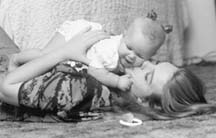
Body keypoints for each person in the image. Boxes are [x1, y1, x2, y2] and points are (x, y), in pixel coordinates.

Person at [1, 26, 216, 121]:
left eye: (148, 76)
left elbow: (6, 88)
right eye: (155, 62)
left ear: (145, 101)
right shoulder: (112, 78)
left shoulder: (84, 91)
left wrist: (65, 52)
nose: (145, 64)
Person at [9, 11, 172, 93]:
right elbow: (95, 70)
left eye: (139, 55)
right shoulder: (109, 52)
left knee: (48, 65)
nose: (131, 56)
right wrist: (116, 81)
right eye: (129, 48)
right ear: (123, 36)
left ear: (149, 58)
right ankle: (16, 59)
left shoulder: (127, 59)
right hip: (77, 33)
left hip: (84, 42)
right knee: (44, 55)